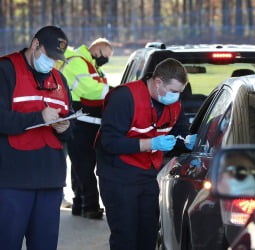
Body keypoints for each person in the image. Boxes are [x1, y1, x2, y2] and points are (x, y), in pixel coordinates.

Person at [96, 58, 197, 250]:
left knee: (148, 234)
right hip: (118, 176)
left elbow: (179, 131)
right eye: (174, 91)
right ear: (158, 82)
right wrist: (150, 143)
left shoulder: (173, 103)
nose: (176, 97)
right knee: (125, 236)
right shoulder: (125, 97)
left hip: (147, 174)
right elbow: (109, 142)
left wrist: (188, 141)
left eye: (180, 92)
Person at [0, 25, 74, 250]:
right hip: (13, 181)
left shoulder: (59, 79)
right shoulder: (5, 70)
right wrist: (37, 117)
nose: (52, 62)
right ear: (35, 44)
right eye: (49, 56)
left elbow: (73, 127)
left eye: (57, 59)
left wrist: (65, 128)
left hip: (51, 180)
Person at [59, 38, 113, 219]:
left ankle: (80, 204)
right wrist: (114, 92)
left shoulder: (91, 65)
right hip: (80, 122)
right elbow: (90, 90)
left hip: (87, 123)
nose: (105, 60)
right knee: (85, 165)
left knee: (80, 164)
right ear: (96, 50)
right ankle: (89, 206)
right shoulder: (78, 63)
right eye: (105, 56)